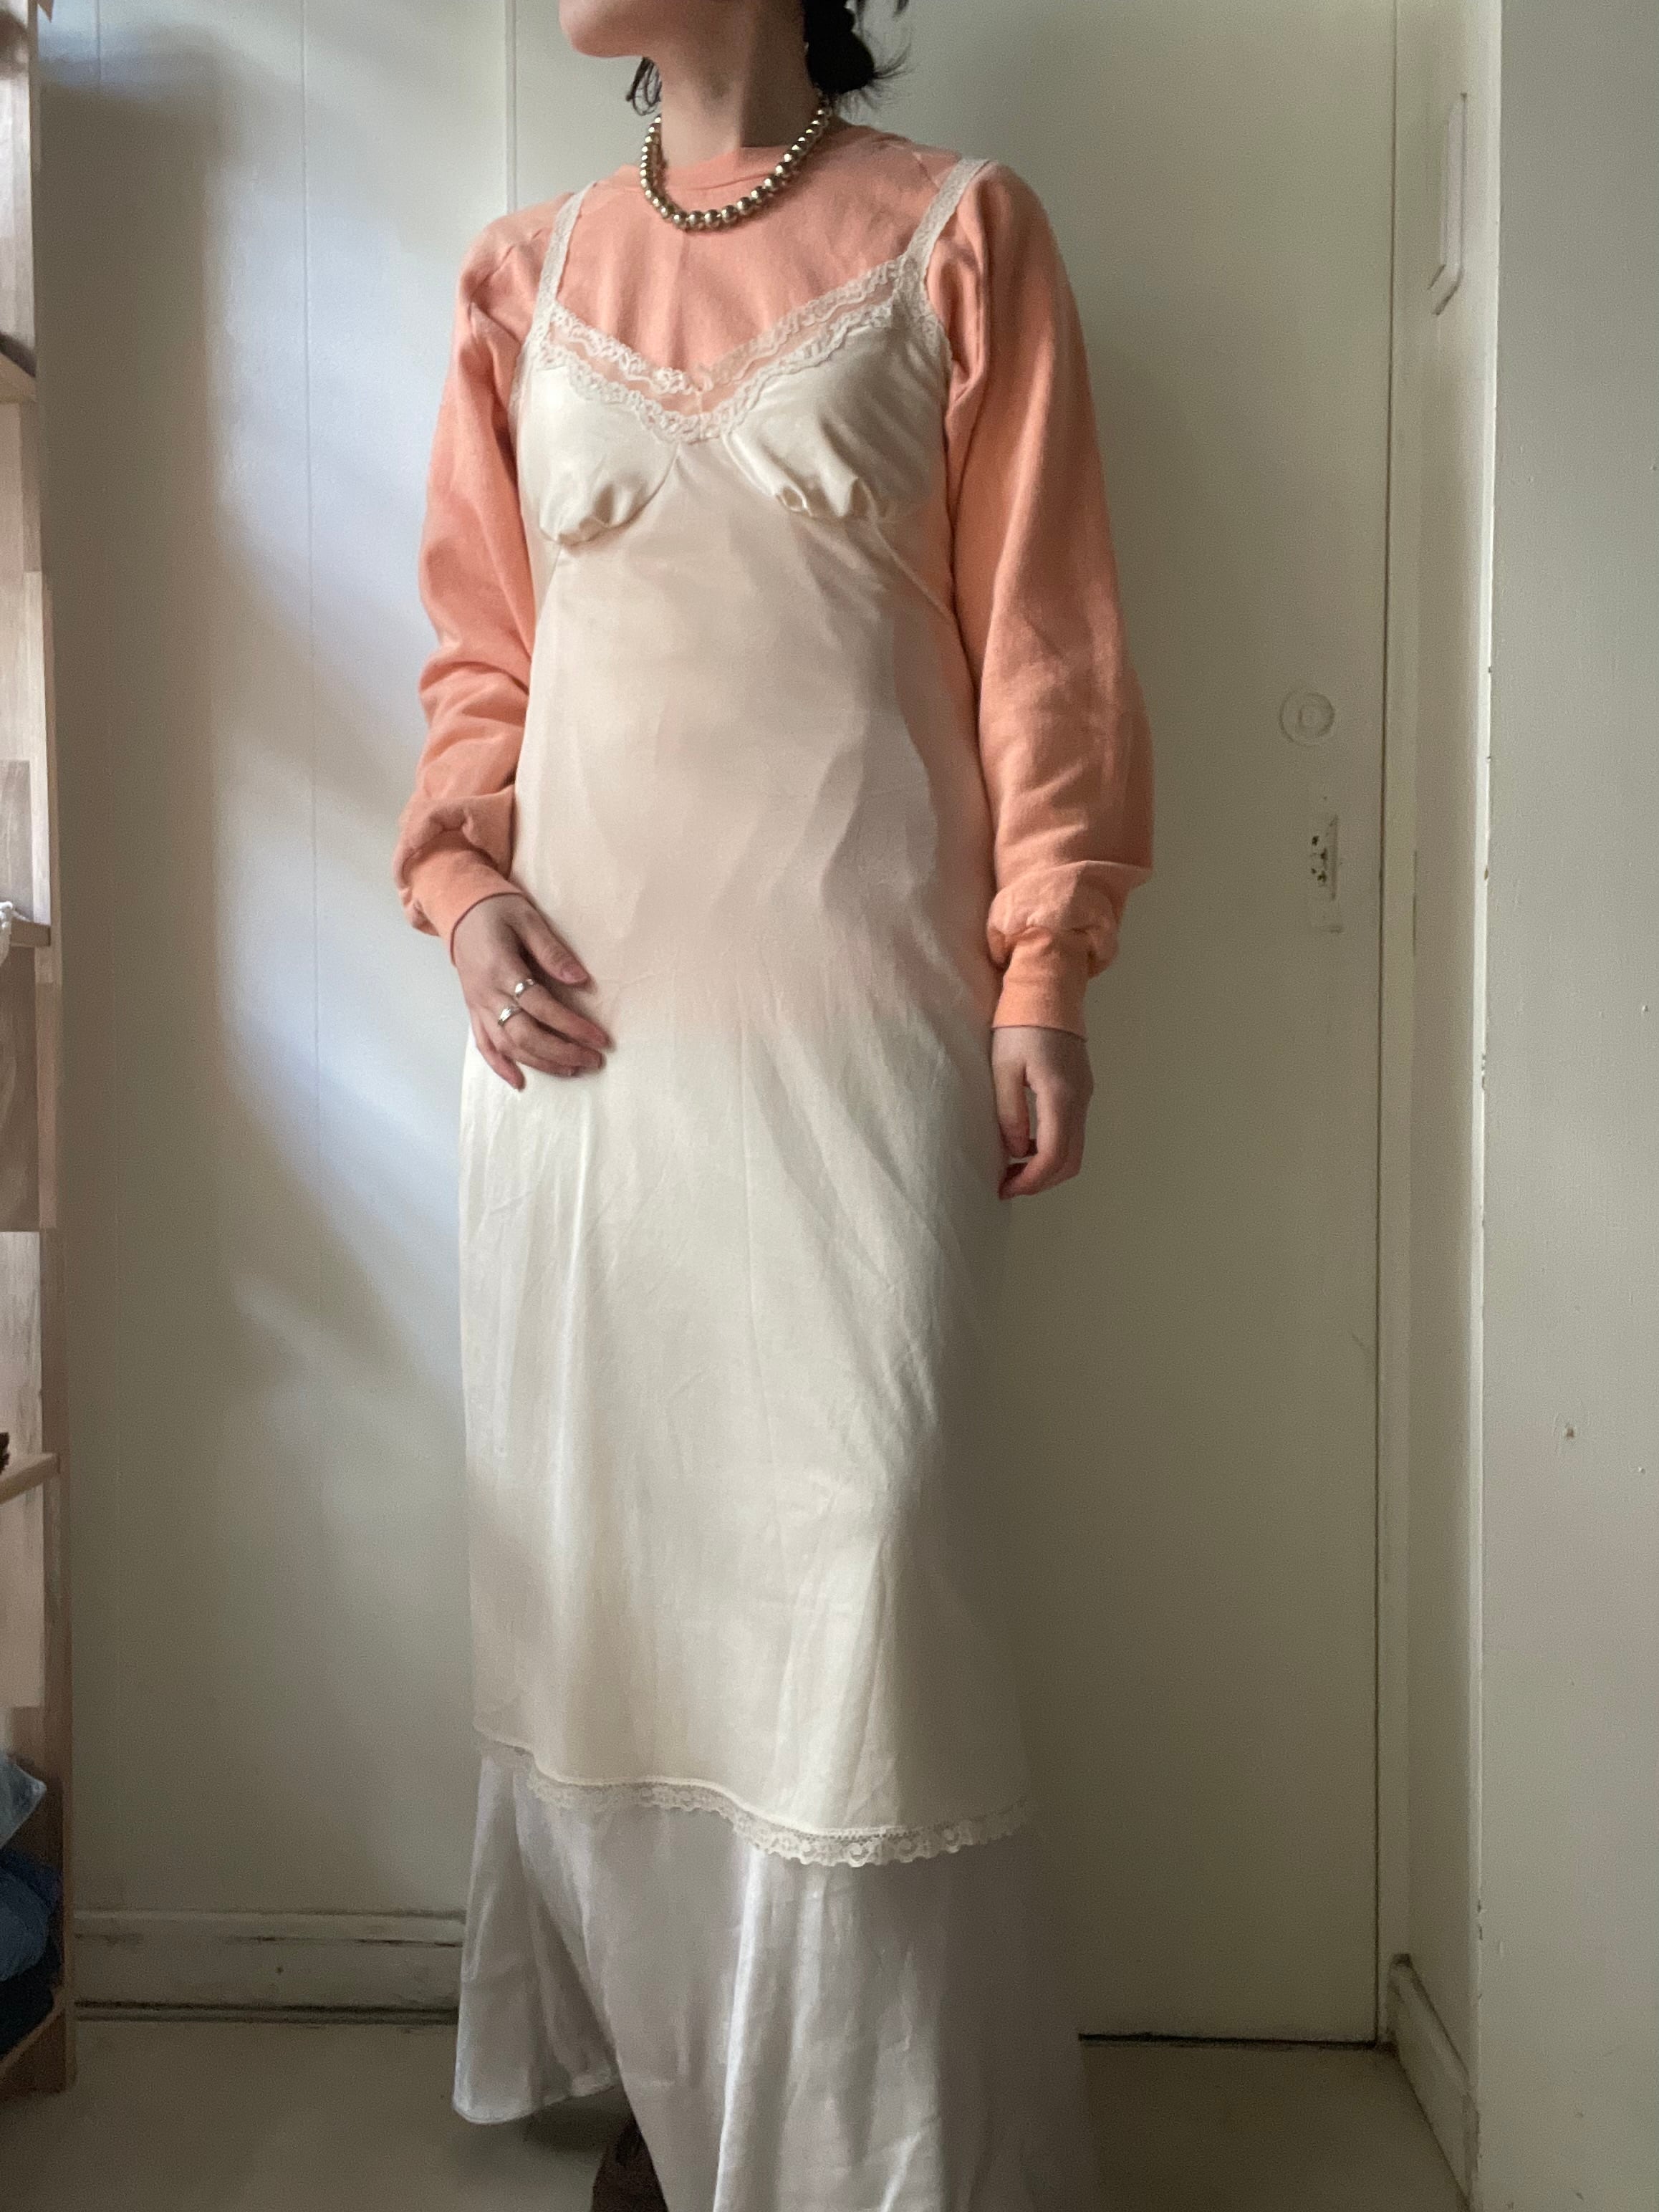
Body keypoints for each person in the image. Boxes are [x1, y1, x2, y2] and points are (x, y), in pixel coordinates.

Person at [393, 1, 1155, 2204]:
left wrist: (1044, 966)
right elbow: (478, 661)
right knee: (613, 1582)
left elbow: (1044, 645)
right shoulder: (522, 273)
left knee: (865, 1561)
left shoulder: (960, 237)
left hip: (856, 1033)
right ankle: (679, 2084)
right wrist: (456, 889)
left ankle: (854, 2139)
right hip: (583, 1063)